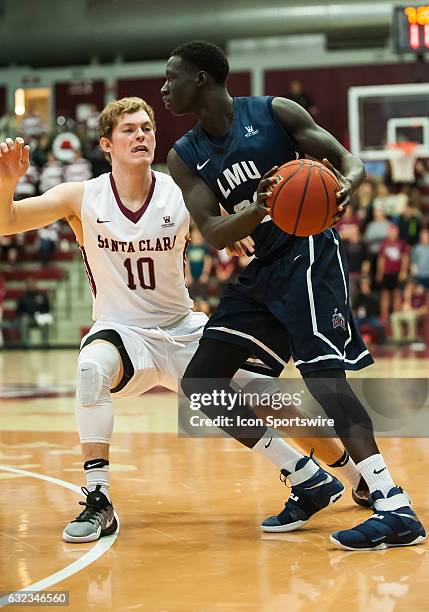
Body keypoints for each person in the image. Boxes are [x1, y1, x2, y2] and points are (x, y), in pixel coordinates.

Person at [0, 97, 352, 544]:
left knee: (266, 394)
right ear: (106, 143)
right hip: (122, 331)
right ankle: (98, 499)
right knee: (90, 369)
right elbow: (6, 222)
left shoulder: (180, 191)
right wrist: (6, 181)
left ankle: (345, 473)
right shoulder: (81, 196)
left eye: (146, 127)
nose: (141, 135)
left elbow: (222, 223)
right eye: (128, 129)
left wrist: (237, 229)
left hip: (182, 327)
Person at [162, 40, 425, 550]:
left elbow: (348, 163)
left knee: (326, 382)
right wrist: (264, 206)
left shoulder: (275, 112)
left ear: (202, 79)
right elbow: (215, 232)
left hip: (308, 256)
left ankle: (394, 505)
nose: (163, 88)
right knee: (202, 383)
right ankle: (306, 476)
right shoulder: (184, 155)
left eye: (172, 77)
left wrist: (343, 186)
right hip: (263, 270)